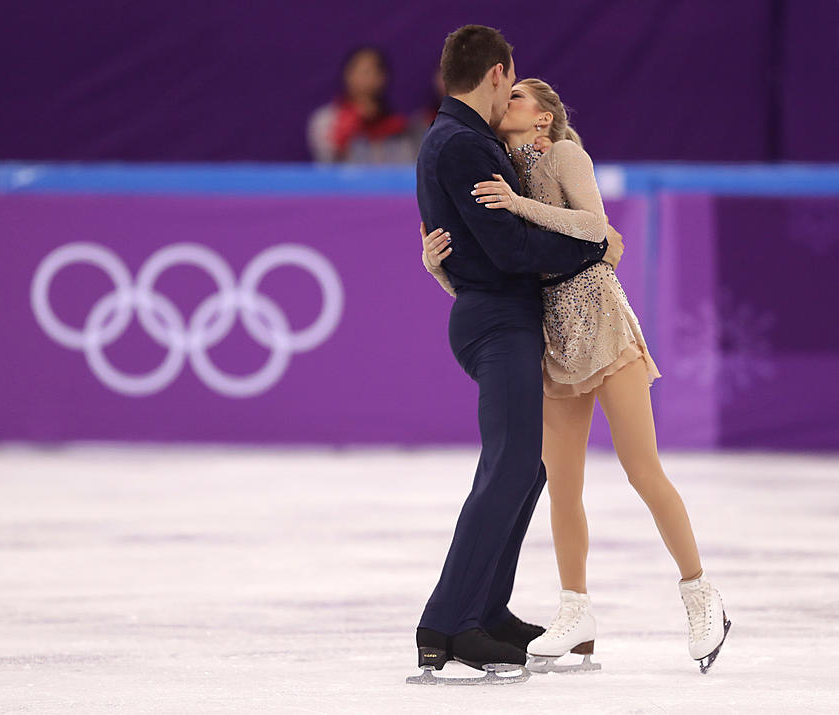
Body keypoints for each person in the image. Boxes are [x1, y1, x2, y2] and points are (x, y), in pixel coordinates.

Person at [420, 78, 731, 674]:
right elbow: (506, 267)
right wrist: (440, 269)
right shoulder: (501, 166)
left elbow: (595, 227)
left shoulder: (564, 153)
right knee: (561, 483)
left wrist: (518, 206)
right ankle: (576, 609)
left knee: (642, 468)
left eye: (516, 98)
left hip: (602, 323)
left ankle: (700, 595)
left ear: (542, 118)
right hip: (554, 340)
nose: (502, 103)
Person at [407, 25, 622, 685]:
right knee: (509, 465)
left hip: (503, 315)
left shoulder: (456, 139)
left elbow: (479, 241)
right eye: (514, 81)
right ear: (498, 74)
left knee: (526, 468)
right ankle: (447, 624)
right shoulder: (465, 145)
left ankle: (488, 609)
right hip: (497, 317)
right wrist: (592, 247)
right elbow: (508, 250)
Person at [307, 46, 412, 164]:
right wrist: (351, 125)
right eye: (361, 72)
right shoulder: (325, 119)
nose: (367, 79)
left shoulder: (398, 125)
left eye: (374, 71)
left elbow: (407, 165)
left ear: (384, 78)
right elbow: (326, 160)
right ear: (347, 75)